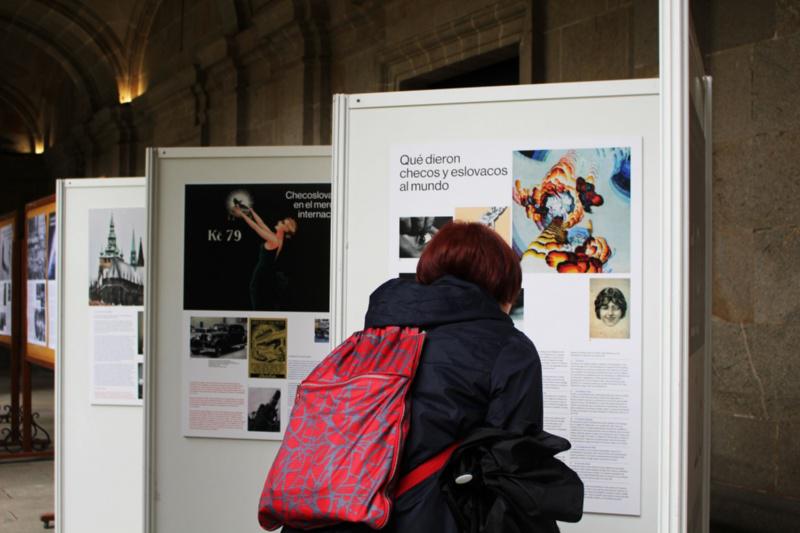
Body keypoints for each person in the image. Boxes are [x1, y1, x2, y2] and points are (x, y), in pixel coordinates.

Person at [283, 221, 543, 533]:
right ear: (501, 283)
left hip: (329, 517)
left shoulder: (373, 337)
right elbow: (514, 470)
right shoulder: (509, 348)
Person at [231, 202, 297, 310]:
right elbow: (261, 223)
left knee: (256, 296)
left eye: (282, 222)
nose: (279, 221)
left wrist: (241, 214)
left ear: (285, 229)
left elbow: (256, 227)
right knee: (257, 296)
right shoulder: (275, 237)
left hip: (262, 275)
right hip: (263, 274)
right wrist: (252, 211)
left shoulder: (274, 240)